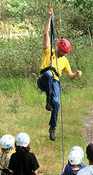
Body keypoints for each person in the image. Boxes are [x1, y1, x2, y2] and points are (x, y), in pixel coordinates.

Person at [37, 7, 82, 141]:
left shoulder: (65, 60)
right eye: (62, 51)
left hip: (55, 83)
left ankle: (53, 127)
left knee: (57, 103)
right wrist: (49, 17)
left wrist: (76, 74)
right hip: (44, 80)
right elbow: (45, 34)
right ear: (58, 47)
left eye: (65, 53)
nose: (63, 54)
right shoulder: (48, 50)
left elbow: (70, 76)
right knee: (49, 75)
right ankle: (48, 99)